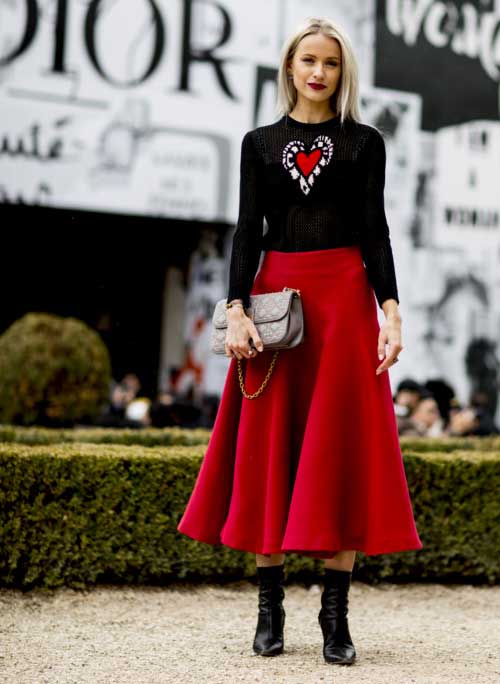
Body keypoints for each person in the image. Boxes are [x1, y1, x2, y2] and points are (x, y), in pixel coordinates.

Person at [177, 16, 423, 666]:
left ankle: (336, 618)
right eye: (308, 59)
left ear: (343, 74)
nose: (319, 71)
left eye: (331, 63)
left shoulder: (365, 143)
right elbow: (245, 232)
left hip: (346, 304)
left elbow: (375, 233)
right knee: (269, 449)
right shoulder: (258, 143)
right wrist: (234, 311)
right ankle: (269, 609)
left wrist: (391, 312)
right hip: (276, 303)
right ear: (290, 66)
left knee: (340, 449)